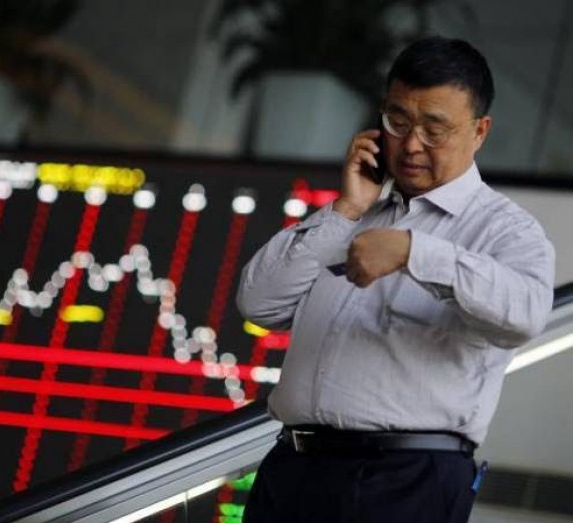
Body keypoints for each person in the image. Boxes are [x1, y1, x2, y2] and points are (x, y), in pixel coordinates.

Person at [236, 36, 555, 523]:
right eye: (397, 121)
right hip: (292, 469)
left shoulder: (505, 230)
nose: (410, 145)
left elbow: (527, 313)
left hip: (405, 481)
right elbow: (258, 303)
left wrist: (414, 252)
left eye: (435, 129)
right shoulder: (354, 212)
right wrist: (346, 209)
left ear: (479, 131)